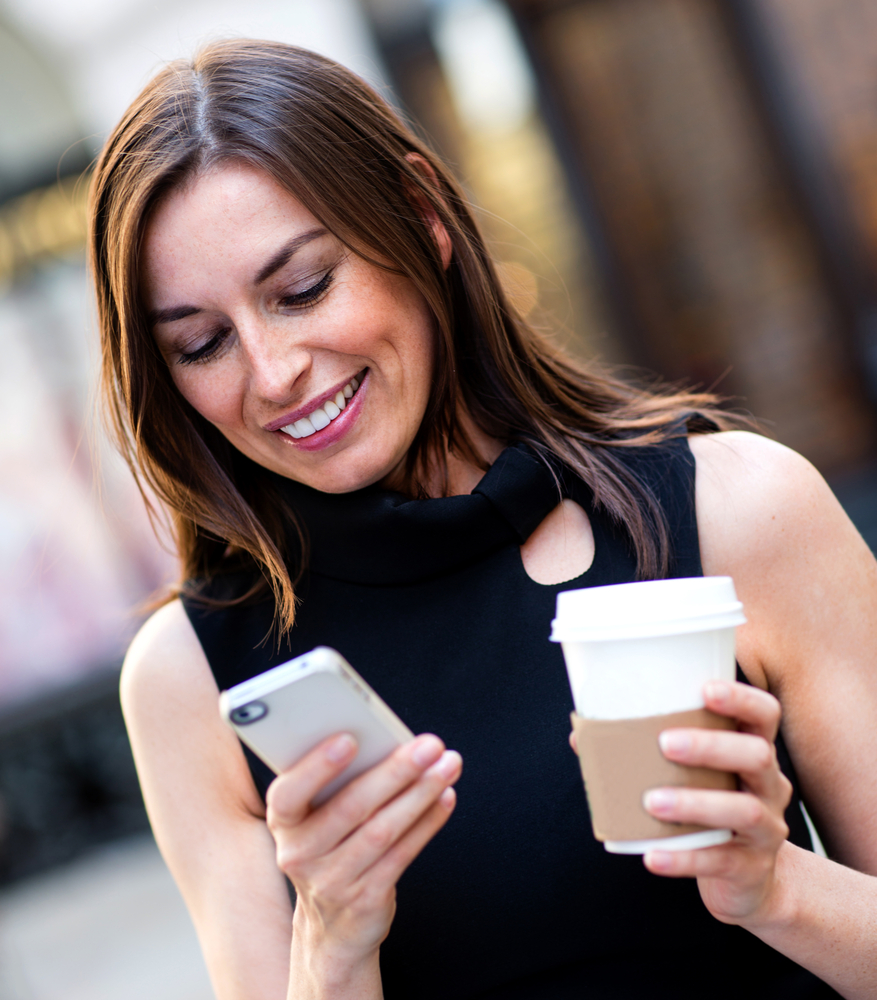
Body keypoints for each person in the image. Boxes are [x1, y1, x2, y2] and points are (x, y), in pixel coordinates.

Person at [90, 38, 877, 1000]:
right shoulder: (189, 679)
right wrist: (331, 943)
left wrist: (773, 887)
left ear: (421, 220)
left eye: (302, 290)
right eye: (201, 343)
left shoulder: (739, 512)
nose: (270, 372)